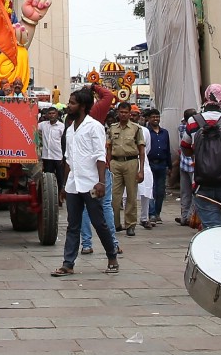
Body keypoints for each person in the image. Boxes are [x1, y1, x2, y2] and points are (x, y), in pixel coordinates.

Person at [53, 86, 118, 275]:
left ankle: (112, 256)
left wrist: (101, 182)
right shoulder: (70, 128)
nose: (68, 106)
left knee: (98, 222)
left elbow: (100, 155)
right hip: (74, 183)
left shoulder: (94, 126)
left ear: (82, 106)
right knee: (73, 224)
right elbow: (67, 159)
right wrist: (64, 185)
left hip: (91, 182)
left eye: (72, 103)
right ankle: (68, 263)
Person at [182, 85, 221, 224]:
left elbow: (185, 149)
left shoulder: (193, 122)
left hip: (203, 183)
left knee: (212, 232)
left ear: (206, 98)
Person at [106, 102, 148, 236]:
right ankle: (116, 223)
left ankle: (130, 225)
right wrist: (108, 165)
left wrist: (141, 170)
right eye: (121, 112)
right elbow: (108, 148)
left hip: (131, 162)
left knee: (131, 195)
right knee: (114, 196)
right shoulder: (112, 128)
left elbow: (141, 150)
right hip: (115, 163)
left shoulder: (136, 129)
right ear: (118, 112)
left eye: (125, 112)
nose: (123, 114)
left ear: (130, 113)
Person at [142, 107, 171, 228]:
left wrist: (169, 165)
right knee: (151, 189)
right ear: (148, 119)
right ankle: (151, 213)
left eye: (157, 117)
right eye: (153, 117)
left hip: (162, 164)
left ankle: (157, 212)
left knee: (160, 191)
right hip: (150, 163)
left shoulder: (165, 132)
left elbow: (168, 149)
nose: (155, 119)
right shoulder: (146, 132)